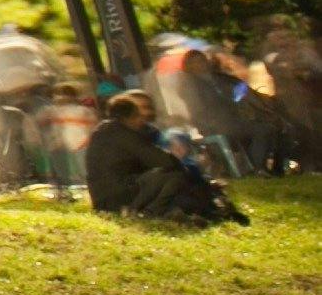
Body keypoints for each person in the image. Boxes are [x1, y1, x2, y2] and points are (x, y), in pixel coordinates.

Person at [83, 88, 246, 226]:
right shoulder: (122, 133)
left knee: (178, 185)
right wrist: (182, 165)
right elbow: (160, 159)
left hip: (109, 195)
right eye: (138, 114)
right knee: (175, 176)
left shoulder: (106, 131)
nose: (142, 118)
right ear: (130, 117)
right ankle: (151, 212)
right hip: (116, 196)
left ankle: (196, 211)